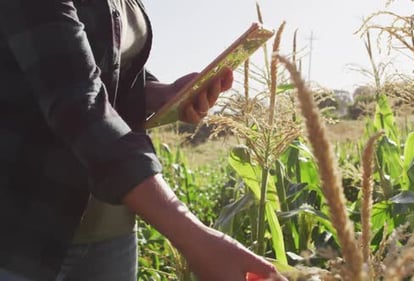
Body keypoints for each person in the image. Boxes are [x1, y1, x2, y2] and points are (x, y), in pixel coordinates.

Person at [0, 0, 285, 280]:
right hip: (28, 228)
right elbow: (76, 100)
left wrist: (165, 94)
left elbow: (107, 72)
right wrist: (196, 239)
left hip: (112, 229)